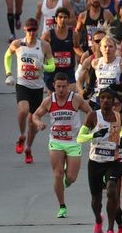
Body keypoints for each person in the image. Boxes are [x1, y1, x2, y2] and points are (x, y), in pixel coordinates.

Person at [76, 88, 122, 233]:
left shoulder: (119, 117)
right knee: (95, 200)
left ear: (113, 100)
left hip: (112, 161)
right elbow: (80, 138)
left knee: (111, 190)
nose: (105, 101)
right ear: (99, 100)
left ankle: (110, 230)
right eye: (102, 98)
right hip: (96, 161)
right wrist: (93, 135)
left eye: (109, 98)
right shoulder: (93, 116)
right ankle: (98, 220)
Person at [31, 72, 92, 218]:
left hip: (73, 141)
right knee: (57, 174)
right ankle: (62, 206)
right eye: (58, 86)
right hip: (56, 141)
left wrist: (86, 128)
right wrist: (39, 123)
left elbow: (90, 112)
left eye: (64, 86)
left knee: (71, 177)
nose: (61, 90)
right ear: (54, 85)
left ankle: (67, 181)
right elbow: (35, 115)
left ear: (68, 86)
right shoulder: (48, 101)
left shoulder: (75, 99)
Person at [4, 18, 55, 164]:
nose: (32, 32)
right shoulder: (17, 44)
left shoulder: (44, 45)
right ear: (25, 30)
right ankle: (22, 135)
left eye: (34, 30)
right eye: (29, 30)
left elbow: (52, 66)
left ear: (37, 30)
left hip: (37, 87)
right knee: (23, 110)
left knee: (33, 122)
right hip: (23, 84)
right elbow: (7, 56)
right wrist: (8, 73)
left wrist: (43, 66)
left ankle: (28, 148)